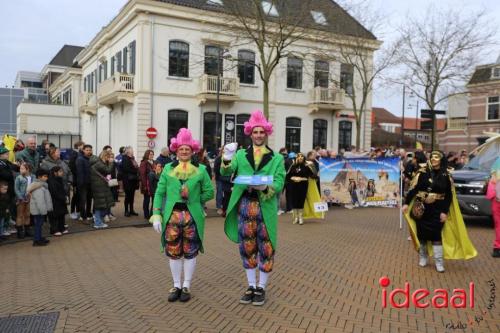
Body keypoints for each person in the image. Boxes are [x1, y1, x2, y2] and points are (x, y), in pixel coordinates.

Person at [220, 110, 285, 306]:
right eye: (255, 132)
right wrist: (226, 156)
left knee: (266, 246)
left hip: (265, 206)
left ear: (266, 133)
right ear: (250, 133)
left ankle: (262, 287)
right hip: (245, 204)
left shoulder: (276, 158)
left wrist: (266, 187)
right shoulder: (240, 154)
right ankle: (251, 285)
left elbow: (280, 181)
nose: (258, 135)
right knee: (247, 245)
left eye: (261, 132)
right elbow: (226, 171)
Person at [150, 128, 214, 302]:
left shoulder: (200, 169)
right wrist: (156, 214)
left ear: (192, 151)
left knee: (190, 251)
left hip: (192, 215)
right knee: (173, 251)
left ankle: (186, 285)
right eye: (181, 149)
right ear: (176, 150)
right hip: (172, 215)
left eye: (187, 149)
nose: (184, 152)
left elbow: (210, 192)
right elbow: (159, 193)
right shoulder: (167, 169)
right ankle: (176, 285)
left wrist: (194, 198)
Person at [402, 150, 477, 272]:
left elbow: (448, 195)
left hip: (437, 209)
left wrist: (444, 211)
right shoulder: (422, 173)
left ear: (441, 159)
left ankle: (439, 262)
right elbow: (414, 190)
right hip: (421, 208)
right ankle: (423, 257)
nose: (433, 159)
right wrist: (406, 203)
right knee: (422, 235)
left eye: (436, 157)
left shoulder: (445, 175)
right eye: (432, 157)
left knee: (436, 235)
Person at [285, 153, 315, 225]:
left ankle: (301, 217)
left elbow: (313, 175)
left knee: (301, 201)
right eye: (299, 157)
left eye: (302, 157)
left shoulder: (306, 166)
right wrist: (293, 178)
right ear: (296, 158)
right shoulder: (293, 166)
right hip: (294, 186)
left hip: (303, 186)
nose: (300, 158)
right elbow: (288, 176)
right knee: (294, 200)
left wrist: (312, 167)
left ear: (304, 158)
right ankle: (296, 218)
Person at [89, 150, 116, 229]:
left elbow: (107, 173)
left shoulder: (100, 163)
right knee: (99, 205)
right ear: (106, 156)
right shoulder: (99, 164)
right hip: (99, 187)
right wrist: (111, 163)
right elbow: (108, 170)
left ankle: (98, 221)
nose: (110, 159)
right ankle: (97, 222)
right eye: (109, 157)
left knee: (101, 205)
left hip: (100, 186)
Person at [27, 168, 53, 246]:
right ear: (39, 177)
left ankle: (39, 238)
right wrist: (43, 211)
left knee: (39, 224)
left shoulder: (41, 185)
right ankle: (37, 240)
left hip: (39, 210)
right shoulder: (39, 187)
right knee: (38, 225)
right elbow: (40, 201)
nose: (46, 178)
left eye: (47, 176)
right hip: (39, 210)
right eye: (44, 176)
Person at [47, 166, 69, 236]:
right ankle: (54, 229)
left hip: (61, 200)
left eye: (62, 171)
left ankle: (61, 228)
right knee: (55, 216)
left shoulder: (60, 179)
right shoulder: (51, 181)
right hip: (54, 201)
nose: (62, 173)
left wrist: (65, 196)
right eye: (60, 171)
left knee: (61, 215)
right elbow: (54, 192)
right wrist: (62, 197)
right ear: (55, 173)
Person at [14, 162, 33, 238]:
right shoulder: (18, 178)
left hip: (29, 198)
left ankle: (27, 230)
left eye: (22, 168)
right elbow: (16, 189)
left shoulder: (32, 177)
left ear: (27, 169)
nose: (20, 170)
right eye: (20, 168)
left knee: (27, 214)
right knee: (20, 215)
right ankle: (19, 231)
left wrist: (30, 195)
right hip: (21, 199)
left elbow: (34, 186)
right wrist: (21, 197)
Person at [487, 157, 500, 257]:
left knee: (498, 224)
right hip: (497, 200)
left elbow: (492, 181)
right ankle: (497, 247)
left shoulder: (496, 164)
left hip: (496, 199)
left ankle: (497, 248)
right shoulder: (497, 164)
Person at [76, 144, 93, 221]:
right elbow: (80, 173)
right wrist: (81, 183)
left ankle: (89, 213)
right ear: (83, 150)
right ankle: (83, 216)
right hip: (83, 184)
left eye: (90, 150)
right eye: (87, 150)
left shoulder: (91, 159)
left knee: (89, 199)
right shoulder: (80, 159)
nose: (89, 151)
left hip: (90, 183)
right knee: (83, 200)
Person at [121, 146, 139, 217]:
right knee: (127, 196)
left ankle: (131, 210)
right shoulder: (125, 158)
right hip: (127, 180)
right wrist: (135, 170)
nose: (133, 152)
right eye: (132, 151)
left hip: (133, 180)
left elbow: (136, 166)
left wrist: (136, 169)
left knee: (132, 196)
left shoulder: (132, 158)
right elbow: (126, 169)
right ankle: (126, 211)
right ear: (128, 152)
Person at [68, 141, 84, 220]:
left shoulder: (79, 154)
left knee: (78, 196)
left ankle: (78, 211)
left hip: (78, 179)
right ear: (78, 146)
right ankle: (72, 211)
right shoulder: (74, 154)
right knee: (75, 196)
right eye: (82, 145)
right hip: (75, 179)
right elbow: (72, 167)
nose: (83, 147)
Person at [139, 149, 155, 219]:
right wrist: (145, 185)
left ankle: (152, 214)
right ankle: (146, 215)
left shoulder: (154, 162)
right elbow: (142, 175)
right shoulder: (144, 163)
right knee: (147, 200)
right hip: (146, 184)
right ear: (147, 155)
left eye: (152, 154)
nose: (151, 156)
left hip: (153, 184)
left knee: (154, 200)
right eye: (150, 154)